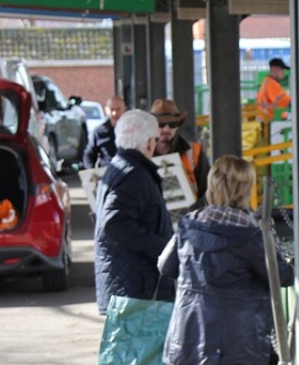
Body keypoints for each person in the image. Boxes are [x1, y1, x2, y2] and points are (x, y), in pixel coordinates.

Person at [159, 155, 295, 365]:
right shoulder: (251, 234)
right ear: (246, 190)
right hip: (237, 348)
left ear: (212, 185)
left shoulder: (189, 224)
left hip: (191, 342)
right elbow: (283, 276)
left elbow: (165, 266)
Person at [93, 109, 174, 315]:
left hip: (129, 283)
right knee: (135, 347)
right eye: (155, 139)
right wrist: (162, 248)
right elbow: (114, 224)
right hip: (134, 287)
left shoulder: (122, 167)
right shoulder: (133, 174)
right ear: (148, 143)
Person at [150, 98, 210, 206]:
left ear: (177, 126)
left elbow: (208, 190)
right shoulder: (142, 154)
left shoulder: (195, 152)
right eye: (161, 124)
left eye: (172, 124)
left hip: (189, 217)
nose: (167, 129)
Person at [82, 95, 127, 169]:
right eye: (111, 109)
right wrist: (91, 171)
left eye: (118, 109)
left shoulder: (133, 129)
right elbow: (89, 154)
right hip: (107, 173)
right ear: (106, 110)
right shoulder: (98, 132)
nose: (114, 113)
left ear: (124, 109)